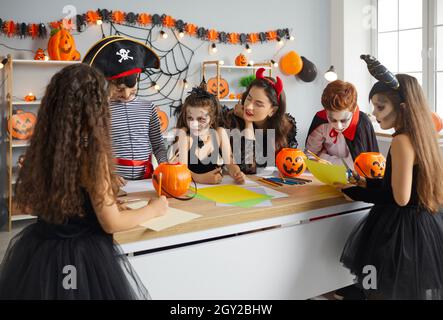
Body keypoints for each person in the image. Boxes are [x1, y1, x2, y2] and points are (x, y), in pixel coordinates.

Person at [0, 64, 168, 299]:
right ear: (95, 109)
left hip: (43, 252)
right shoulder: (93, 155)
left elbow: (31, 206)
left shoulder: (44, 148)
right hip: (82, 258)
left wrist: (95, 203)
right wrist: (154, 209)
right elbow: (112, 223)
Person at [337, 55, 443, 300]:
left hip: (400, 231)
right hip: (424, 224)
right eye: (373, 106)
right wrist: (368, 182)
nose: (374, 113)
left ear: (402, 107)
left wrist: (355, 192)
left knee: (382, 293)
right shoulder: (423, 137)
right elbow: (407, 185)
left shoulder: (402, 141)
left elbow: (400, 198)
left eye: (380, 106)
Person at [83, 36, 167, 186]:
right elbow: (93, 147)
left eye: (132, 89)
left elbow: (158, 145)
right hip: (113, 183)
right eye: (120, 90)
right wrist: (107, 173)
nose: (126, 94)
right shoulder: (101, 110)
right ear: (108, 84)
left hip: (146, 180)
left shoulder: (149, 108)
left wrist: (164, 165)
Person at [222, 68, 298, 174]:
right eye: (249, 98)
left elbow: (290, 165)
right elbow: (247, 167)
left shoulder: (287, 126)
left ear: (273, 110)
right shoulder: (233, 120)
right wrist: (248, 123)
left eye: (258, 104)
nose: (248, 106)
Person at [173, 85, 245, 185]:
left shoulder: (220, 134)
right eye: (190, 118)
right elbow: (181, 171)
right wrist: (200, 178)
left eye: (200, 119)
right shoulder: (185, 138)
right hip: (190, 189)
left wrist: (237, 173)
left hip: (216, 190)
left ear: (212, 119)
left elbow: (230, 163)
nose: (194, 124)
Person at [306, 80, 379, 167]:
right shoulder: (321, 120)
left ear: (353, 110)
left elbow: (356, 165)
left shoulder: (362, 124)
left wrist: (322, 157)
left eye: (344, 120)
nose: (338, 126)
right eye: (332, 120)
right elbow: (309, 156)